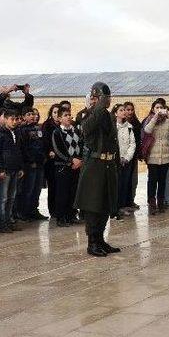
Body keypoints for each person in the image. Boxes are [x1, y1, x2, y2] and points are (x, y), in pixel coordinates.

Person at [74, 82, 121, 257]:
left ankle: (100, 239)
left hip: (108, 164)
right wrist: (98, 107)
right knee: (93, 206)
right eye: (104, 98)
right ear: (95, 98)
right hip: (94, 166)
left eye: (108, 98)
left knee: (105, 204)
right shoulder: (89, 113)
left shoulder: (108, 115)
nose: (108, 101)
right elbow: (85, 129)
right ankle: (92, 243)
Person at [142, 99, 169, 215]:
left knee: (162, 181)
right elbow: (147, 130)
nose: (159, 110)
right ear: (153, 109)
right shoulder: (150, 120)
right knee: (152, 180)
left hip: (166, 157)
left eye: (161, 107)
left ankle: (161, 203)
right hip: (152, 156)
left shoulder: (168, 121)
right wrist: (155, 118)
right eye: (156, 108)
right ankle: (152, 203)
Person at [0, 109, 24, 232]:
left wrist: (20, 167)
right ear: (5, 119)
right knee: (3, 198)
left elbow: (18, 151)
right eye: (12, 119)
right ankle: (1, 223)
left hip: (14, 168)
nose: (15, 122)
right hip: (5, 169)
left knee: (11, 197)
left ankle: (8, 220)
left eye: (16, 119)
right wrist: (0, 169)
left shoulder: (14, 132)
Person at [51, 108, 83, 226]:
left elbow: (81, 145)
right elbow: (58, 150)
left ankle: (71, 215)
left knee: (73, 192)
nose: (68, 117)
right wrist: (70, 160)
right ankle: (61, 217)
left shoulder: (77, 131)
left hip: (76, 166)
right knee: (62, 193)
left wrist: (79, 160)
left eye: (69, 115)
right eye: (65, 115)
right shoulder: (57, 132)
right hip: (63, 167)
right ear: (59, 118)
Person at [17, 107, 48, 221]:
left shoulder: (38, 128)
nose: (32, 116)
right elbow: (24, 148)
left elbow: (42, 144)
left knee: (37, 189)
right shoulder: (22, 130)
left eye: (33, 114)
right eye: (29, 114)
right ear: (24, 117)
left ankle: (34, 210)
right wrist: (31, 161)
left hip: (40, 163)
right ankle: (25, 212)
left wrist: (43, 157)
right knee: (28, 189)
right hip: (30, 164)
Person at [113, 103, 136, 217]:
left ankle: (123, 205)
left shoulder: (129, 127)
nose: (124, 112)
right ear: (116, 113)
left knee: (125, 183)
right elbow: (112, 144)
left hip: (126, 160)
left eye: (124, 110)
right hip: (115, 160)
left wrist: (126, 158)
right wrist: (118, 157)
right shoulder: (113, 127)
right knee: (116, 184)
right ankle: (115, 207)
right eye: (121, 110)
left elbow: (132, 144)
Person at [42, 104, 60, 218]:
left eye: (59, 112)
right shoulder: (47, 125)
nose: (56, 115)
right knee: (53, 186)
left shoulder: (65, 125)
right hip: (51, 160)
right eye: (54, 112)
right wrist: (50, 151)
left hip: (62, 160)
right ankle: (53, 210)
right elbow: (46, 140)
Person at [124, 102, 141, 209]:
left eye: (131, 110)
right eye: (127, 110)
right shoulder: (120, 123)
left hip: (133, 155)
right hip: (123, 156)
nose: (130, 112)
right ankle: (123, 202)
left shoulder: (136, 123)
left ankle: (131, 200)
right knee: (124, 180)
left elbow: (138, 140)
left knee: (133, 180)